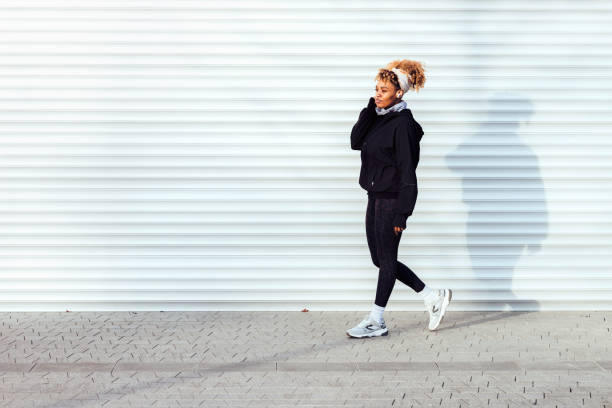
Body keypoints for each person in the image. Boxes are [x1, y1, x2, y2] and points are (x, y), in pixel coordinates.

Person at [346, 59, 452, 338]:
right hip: (375, 196)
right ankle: (432, 295)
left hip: (392, 199)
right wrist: (371, 108)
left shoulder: (403, 125)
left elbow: (408, 170)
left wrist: (402, 212)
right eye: (376, 89)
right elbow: (356, 141)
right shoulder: (378, 117)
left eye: (383, 90)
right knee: (379, 260)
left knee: (388, 258)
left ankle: (376, 319)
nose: (377, 94)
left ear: (399, 93)